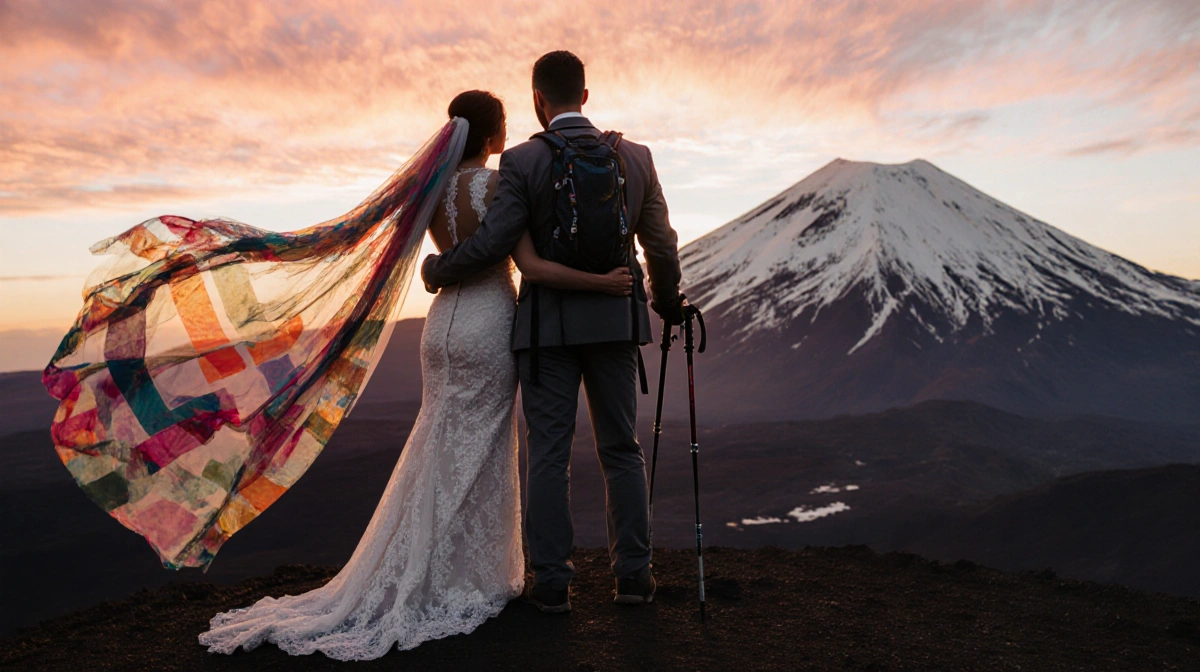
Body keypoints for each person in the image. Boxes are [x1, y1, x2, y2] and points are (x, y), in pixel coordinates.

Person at [197, 90, 632, 660]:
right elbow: (521, 260)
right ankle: (467, 575)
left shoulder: (429, 192)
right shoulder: (503, 186)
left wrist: (432, 267)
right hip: (487, 321)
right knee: (480, 447)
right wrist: (604, 283)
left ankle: (417, 562)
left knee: (438, 441)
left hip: (441, 326)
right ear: (494, 134)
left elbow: (427, 256)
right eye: (503, 124)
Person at [421, 50, 684, 614]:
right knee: (622, 450)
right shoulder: (636, 158)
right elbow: (660, 243)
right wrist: (665, 302)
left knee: (548, 452)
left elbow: (496, 243)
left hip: (546, 331)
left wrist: (438, 270)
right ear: (584, 96)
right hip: (616, 321)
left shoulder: (521, 162)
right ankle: (634, 578)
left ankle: (553, 583)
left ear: (538, 98)